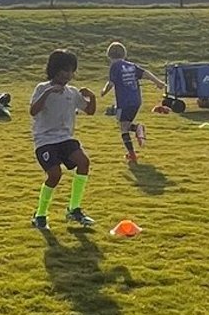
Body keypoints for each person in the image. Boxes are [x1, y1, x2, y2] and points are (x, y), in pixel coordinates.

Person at [28, 48, 96, 232]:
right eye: (64, 70)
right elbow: (33, 111)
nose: (68, 75)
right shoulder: (42, 88)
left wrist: (92, 97)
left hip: (65, 139)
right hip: (45, 140)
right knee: (54, 174)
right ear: (54, 70)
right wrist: (49, 92)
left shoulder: (72, 92)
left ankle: (74, 209)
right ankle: (40, 215)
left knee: (84, 162)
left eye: (71, 71)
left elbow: (89, 111)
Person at [104, 39, 160, 165]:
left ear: (109, 55)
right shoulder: (131, 65)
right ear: (124, 54)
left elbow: (111, 83)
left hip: (124, 102)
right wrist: (158, 82)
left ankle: (132, 154)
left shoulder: (114, 66)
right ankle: (136, 129)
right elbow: (145, 73)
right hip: (136, 100)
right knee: (124, 124)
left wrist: (103, 91)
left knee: (123, 128)